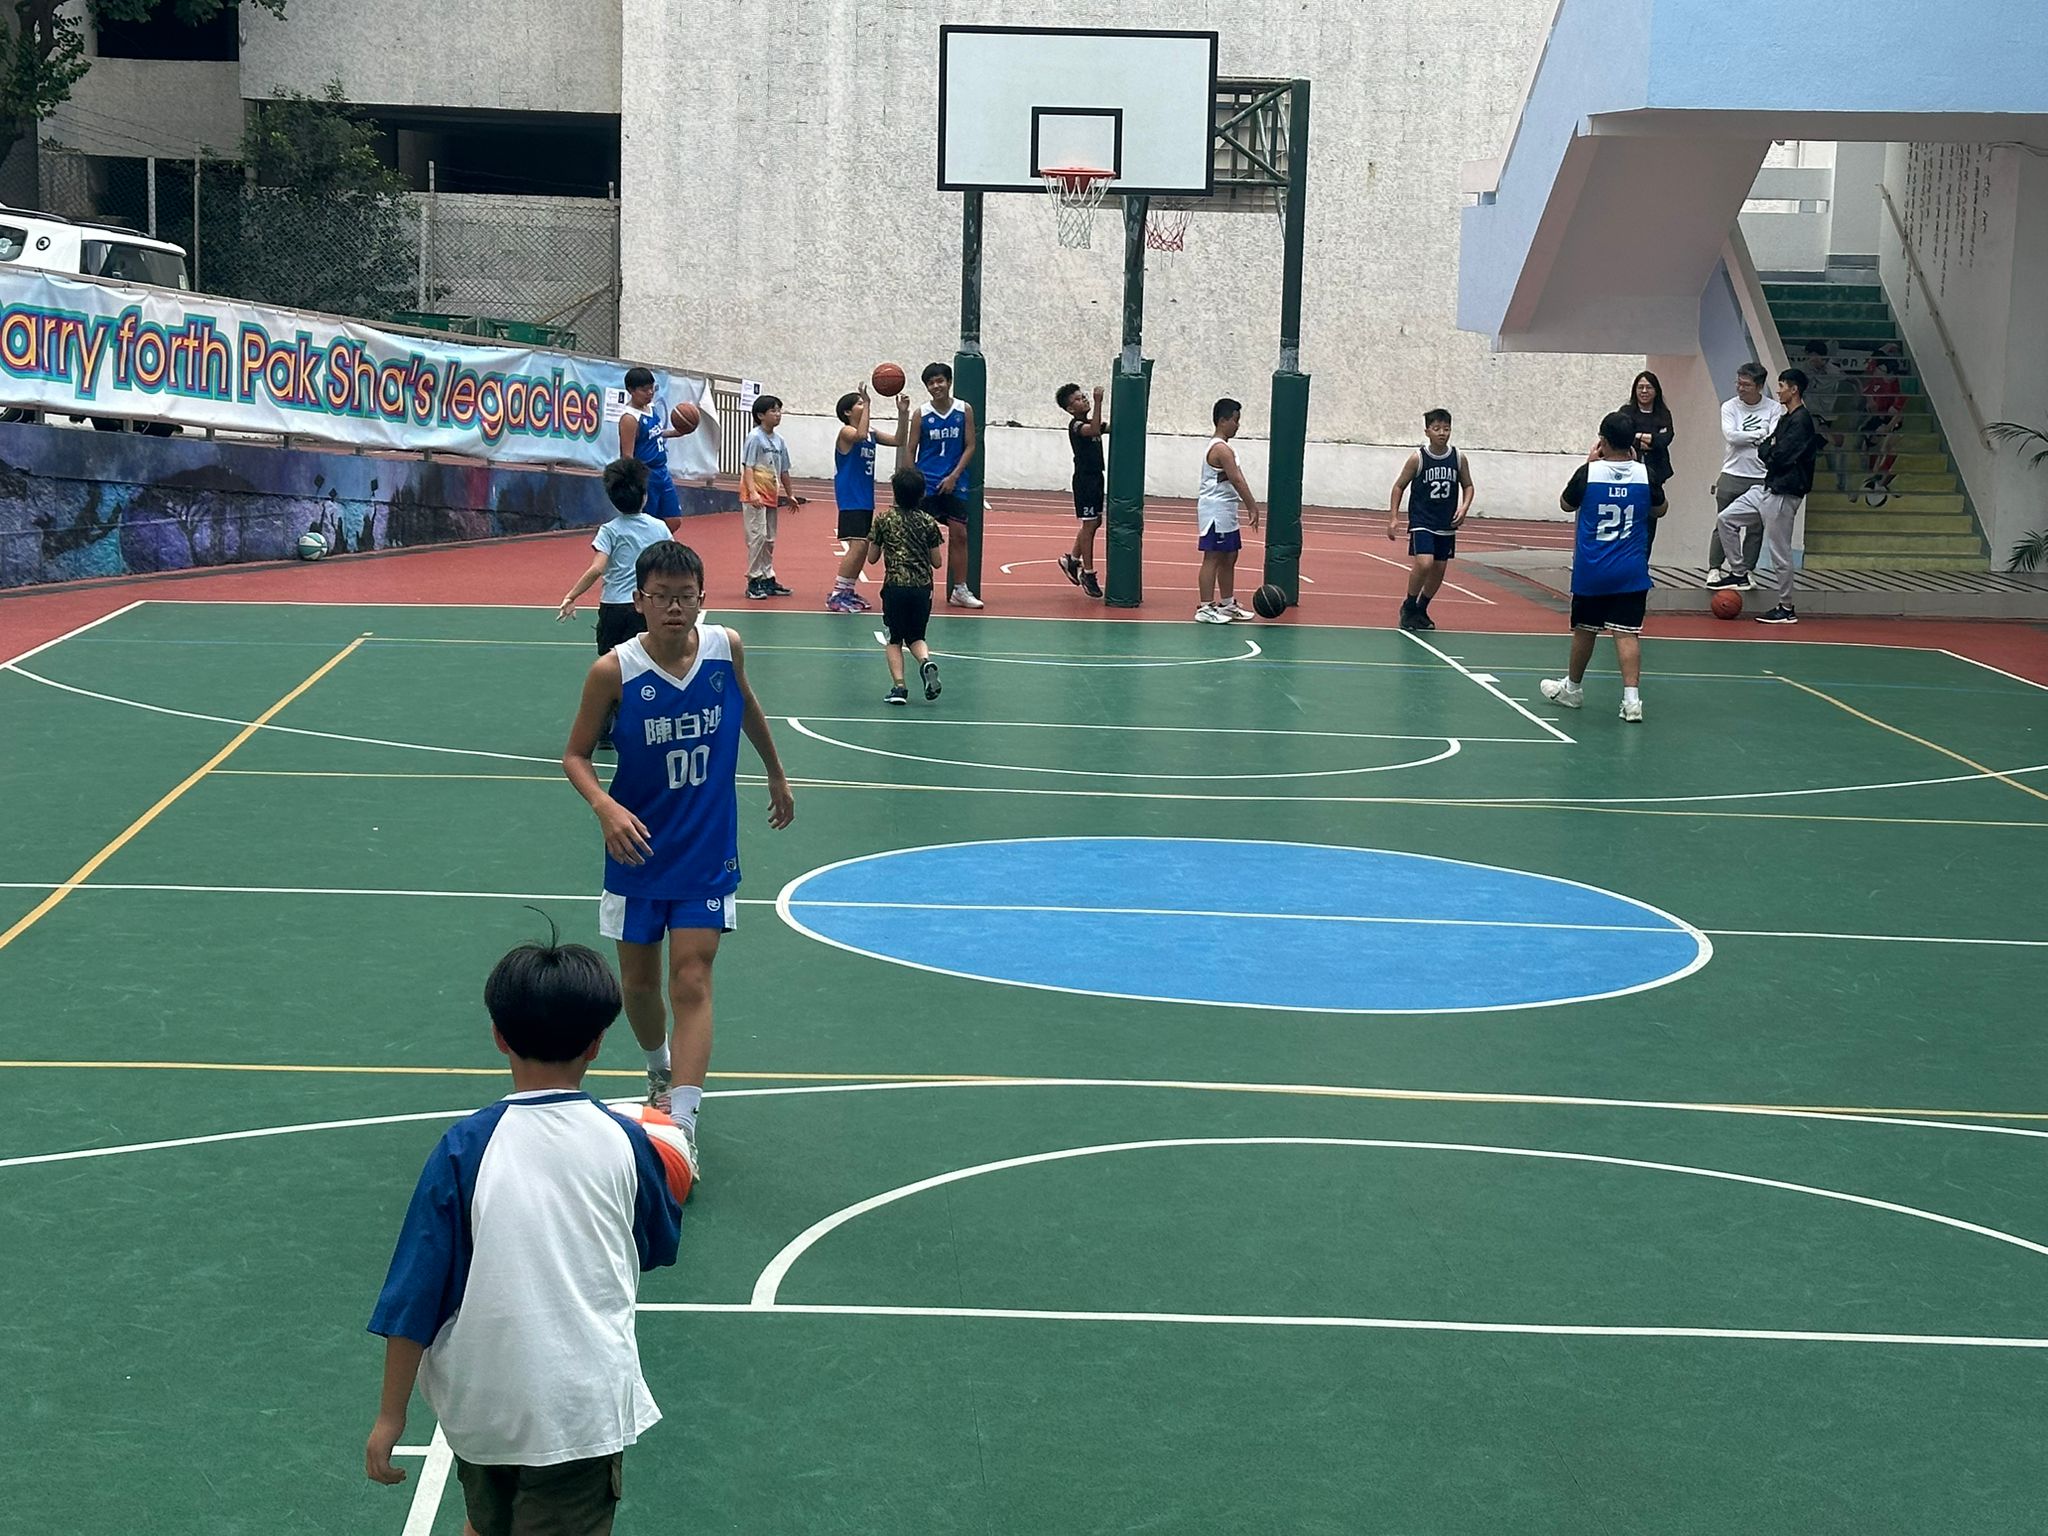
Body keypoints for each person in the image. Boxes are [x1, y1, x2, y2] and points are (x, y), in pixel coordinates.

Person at [365, 929, 680, 1535]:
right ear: (597, 1043)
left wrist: (389, 1417)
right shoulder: (627, 1141)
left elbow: (413, 1296)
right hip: (579, 1410)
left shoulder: (465, 1148)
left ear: (499, 1036)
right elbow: (658, 1245)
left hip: (482, 1408)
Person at [562, 540, 796, 1180]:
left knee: (691, 976)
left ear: (701, 598)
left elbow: (746, 706)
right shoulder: (613, 671)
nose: (673, 607)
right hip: (636, 849)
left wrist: (776, 773)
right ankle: (659, 1069)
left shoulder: (725, 648)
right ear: (638, 600)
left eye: (685, 597)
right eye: (661, 596)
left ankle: (682, 1123)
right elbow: (575, 755)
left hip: (705, 847)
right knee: (638, 985)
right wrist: (605, 808)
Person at [1538, 411, 1663, 723]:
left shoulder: (1588, 473)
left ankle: (1573, 688)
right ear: (1632, 443)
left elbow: (1566, 504)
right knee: (1627, 634)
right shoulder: (1646, 474)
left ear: (1602, 441)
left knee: (1585, 630)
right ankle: (1632, 701)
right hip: (1631, 570)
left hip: (1593, 569)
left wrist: (1590, 463)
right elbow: (1660, 509)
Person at [555, 458, 675, 748]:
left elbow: (597, 568)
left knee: (612, 666)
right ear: (644, 495)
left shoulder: (609, 530)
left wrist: (572, 595)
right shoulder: (659, 528)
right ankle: (644, 725)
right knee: (647, 665)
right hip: (645, 607)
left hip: (613, 609)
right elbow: (672, 562)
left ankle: (605, 730)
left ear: (612, 498)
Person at [1708, 368, 1824, 624]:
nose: (1778, 390)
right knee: (1726, 518)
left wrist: (1769, 451)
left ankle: (1786, 607)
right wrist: (1768, 450)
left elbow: (1780, 455)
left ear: (1794, 389)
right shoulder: (1786, 418)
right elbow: (1767, 446)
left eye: (1782, 386)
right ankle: (1739, 572)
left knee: (1779, 551)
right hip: (1767, 487)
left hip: (1784, 492)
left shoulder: (1801, 421)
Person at [1385, 407, 1475, 630]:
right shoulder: (1418, 458)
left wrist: (1464, 508)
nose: (1442, 433)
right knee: (1424, 562)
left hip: (1446, 522)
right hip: (1422, 521)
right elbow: (1398, 486)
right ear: (1427, 431)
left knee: (1439, 569)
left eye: (1446, 429)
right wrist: (1394, 517)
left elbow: (1468, 485)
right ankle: (1408, 605)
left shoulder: (1458, 458)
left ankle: (1421, 608)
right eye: (1437, 429)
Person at [827, 383, 909, 613]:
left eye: (863, 402)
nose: (863, 405)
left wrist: (903, 414)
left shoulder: (871, 434)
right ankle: (837, 593)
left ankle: (848, 590)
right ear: (847, 412)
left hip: (865, 497)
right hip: (850, 496)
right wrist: (870, 402)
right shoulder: (846, 432)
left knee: (862, 546)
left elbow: (899, 440)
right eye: (859, 403)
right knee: (858, 545)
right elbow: (859, 434)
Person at [866, 466, 945, 705]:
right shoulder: (928, 522)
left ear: (894, 493)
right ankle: (925, 662)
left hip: (895, 587)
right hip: (922, 588)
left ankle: (899, 687)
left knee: (894, 639)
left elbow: (872, 558)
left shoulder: (884, 520)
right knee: (916, 636)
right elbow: (937, 562)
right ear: (922, 494)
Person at [912, 361, 983, 608]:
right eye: (931, 383)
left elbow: (970, 445)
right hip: (927, 481)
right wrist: (912, 483)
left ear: (949, 382)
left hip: (955, 481)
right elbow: (910, 450)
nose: (936, 386)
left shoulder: (964, 409)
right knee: (920, 536)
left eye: (940, 381)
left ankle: (960, 590)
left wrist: (954, 475)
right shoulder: (921, 414)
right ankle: (918, 585)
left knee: (960, 534)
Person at [1706, 362, 1781, 579]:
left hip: (1761, 475)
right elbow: (1731, 436)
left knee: (1756, 527)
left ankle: (1746, 570)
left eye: (1746, 384)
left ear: (1759, 386)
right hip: (1732, 472)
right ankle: (1714, 568)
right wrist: (1759, 435)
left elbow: (1773, 438)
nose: (1740, 388)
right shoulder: (1729, 407)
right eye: (1738, 383)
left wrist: (1750, 437)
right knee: (1723, 521)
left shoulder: (1773, 408)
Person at [1196, 397, 1261, 623]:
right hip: (1215, 510)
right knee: (1213, 556)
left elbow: (1236, 477)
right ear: (1223, 420)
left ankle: (1227, 604)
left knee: (1230, 555)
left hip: (1227, 509)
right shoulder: (1220, 449)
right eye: (1235, 420)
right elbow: (1236, 479)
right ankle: (1205, 607)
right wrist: (1252, 506)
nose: (1237, 425)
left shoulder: (1226, 448)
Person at [740, 394, 797, 601]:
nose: (778, 414)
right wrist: (753, 492)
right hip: (755, 495)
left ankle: (767, 578)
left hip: (772, 494)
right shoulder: (754, 437)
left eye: (779, 410)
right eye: (773, 410)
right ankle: (753, 580)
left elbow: (784, 470)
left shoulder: (779, 441)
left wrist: (790, 494)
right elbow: (748, 466)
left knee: (770, 539)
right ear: (760, 415)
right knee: (758, 536)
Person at [1054, 382, 1108, 599]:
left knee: (1095, 522)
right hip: (1085, 480)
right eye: (1077, 399)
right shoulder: (1076, 425)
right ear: (1070, 409)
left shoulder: (1089, 422)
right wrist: (1098, 401)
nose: (1083, 399)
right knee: (1089, 524)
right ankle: (1088, 572)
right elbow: (1094, 430)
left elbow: (1106, 427)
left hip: (1096, 477)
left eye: (1083, 396)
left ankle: (1071, 559)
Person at [617, 366, 682, 527]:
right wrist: (634, 483)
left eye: (652, 388)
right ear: (631, 390)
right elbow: (627, 456)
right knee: (646, 523)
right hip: (646, 475)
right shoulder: (629, 418)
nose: (650, 393)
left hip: (662, 471)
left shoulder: (651, 407)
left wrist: (675, 433)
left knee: (673, 520)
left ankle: (656, 542)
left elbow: (653, 434)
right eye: (644, 390)